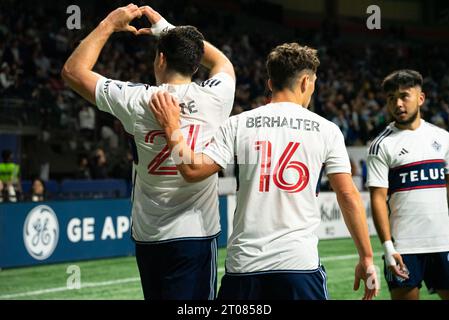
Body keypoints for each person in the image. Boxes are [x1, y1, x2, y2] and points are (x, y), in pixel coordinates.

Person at [149, 43, 378, 300]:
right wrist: (367, 257)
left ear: (270, 83)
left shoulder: (237, 123)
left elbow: (191, 169)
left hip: (245, 268)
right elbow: (347, 195)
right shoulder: (327, 130)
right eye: (313, 82)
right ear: (305, 82)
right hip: (298, 266)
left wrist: (172, 128)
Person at [61, 4, 235, 300]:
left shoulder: (136, 100)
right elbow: (221, 62)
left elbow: (72, 72)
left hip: (149, 234)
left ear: (161, 58)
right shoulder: (217, 96)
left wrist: (109, 23)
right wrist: (167, 28)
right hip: (196, 234)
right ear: (195, 66)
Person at [367, 69, 449, 300]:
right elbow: (377, 198)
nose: (398, 104)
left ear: (420, 98)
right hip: (404, 247)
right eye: (391, 98)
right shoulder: (381, 145)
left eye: (404, 96)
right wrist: (387, 247)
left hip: (444, 242)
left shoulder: (443, 138)